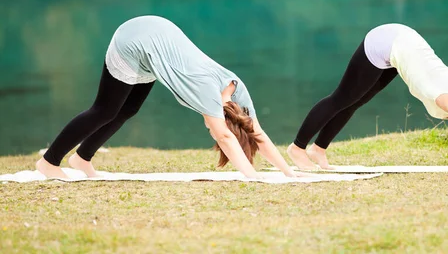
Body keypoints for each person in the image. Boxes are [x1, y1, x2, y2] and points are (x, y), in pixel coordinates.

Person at [36, 15, 298, 179]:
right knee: (104, 110)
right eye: (212, 130)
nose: (210, 131)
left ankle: (81, 159)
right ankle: (49, 161)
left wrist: (288, 172)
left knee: (127, 110)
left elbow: (257, 134)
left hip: (156, 41)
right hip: (133, 41)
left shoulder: (238, 92)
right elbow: (226, 137)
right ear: (223, 120)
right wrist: (252, 177)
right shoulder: (208, 94)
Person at [287, 23, 448, 174]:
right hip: (385, 42)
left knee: (356, 102)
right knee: (340, 98)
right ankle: (297, 148)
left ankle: (318, 150)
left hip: (402, 45)